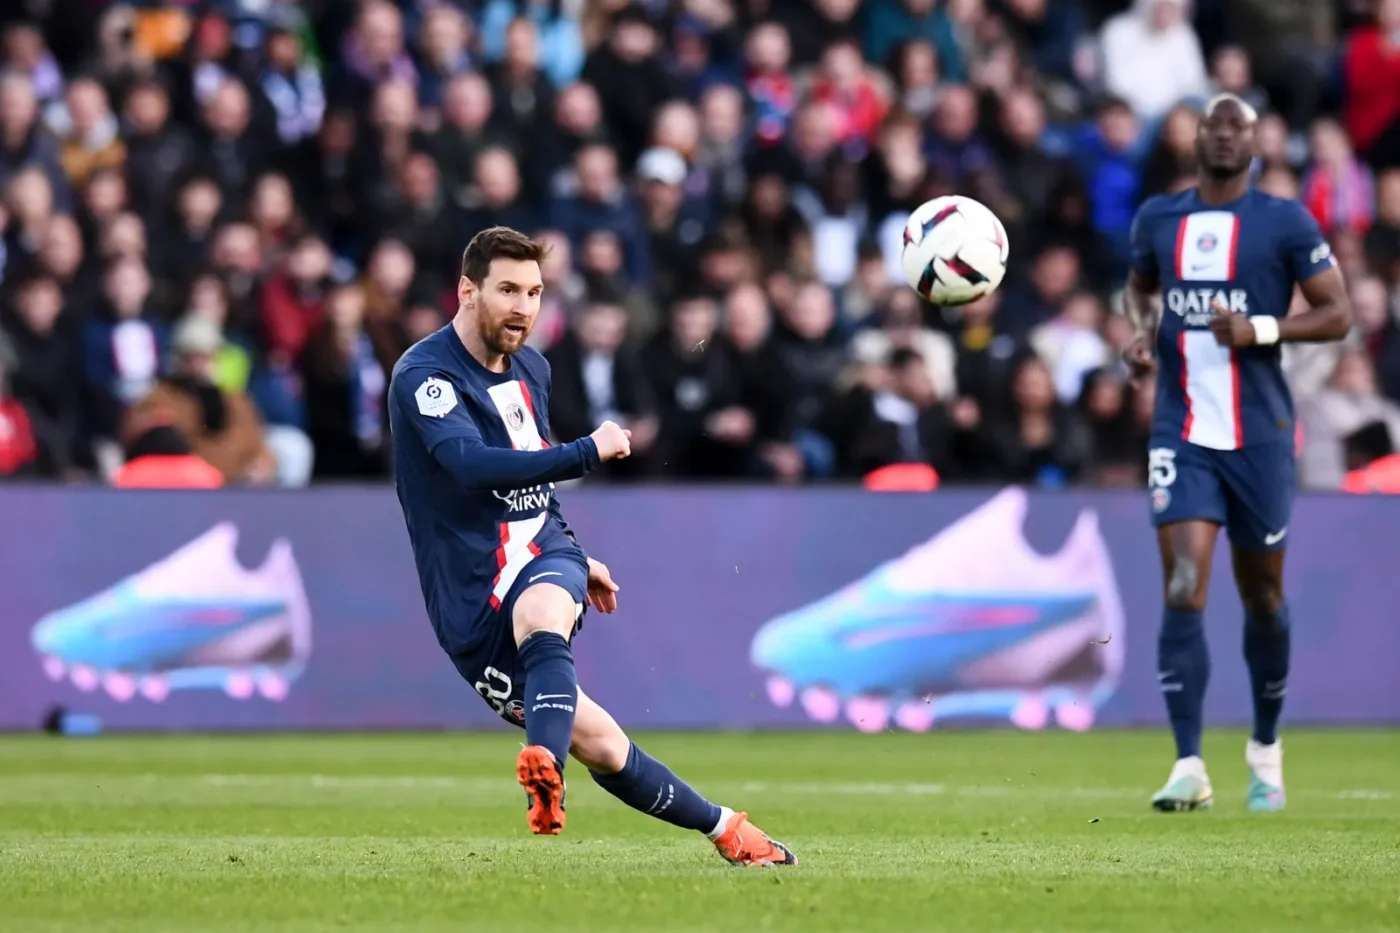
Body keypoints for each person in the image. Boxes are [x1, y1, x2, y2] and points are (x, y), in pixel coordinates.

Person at [387, 227, 795, 865]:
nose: (524, 307)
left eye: (534, 293)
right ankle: (723, 827)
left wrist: (574, 552)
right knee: (604, 746)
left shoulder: (534, 368)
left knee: (542, 611)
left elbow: (535, 477)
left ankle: (543, 764)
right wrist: (587, 450)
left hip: (541, 551)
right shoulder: (425, 376)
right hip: (468, 595)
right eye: (508, 290)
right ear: (467, 291)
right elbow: (470, 465)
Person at [1122, 94, 1351, 813]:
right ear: (1194, 138)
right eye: (1212, 124)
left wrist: (1259, 329)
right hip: (1182, 429)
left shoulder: (1285, 222)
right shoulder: (1159, 218)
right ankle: (1188, 763)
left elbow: (1338, 313)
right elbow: (1139, 289)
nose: (1224, 134)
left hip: (1259, 434)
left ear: (1255, 143)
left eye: (1237, 126)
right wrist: (1141, 334)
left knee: (1263, 596)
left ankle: (1265, 748)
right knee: (1184, 583)